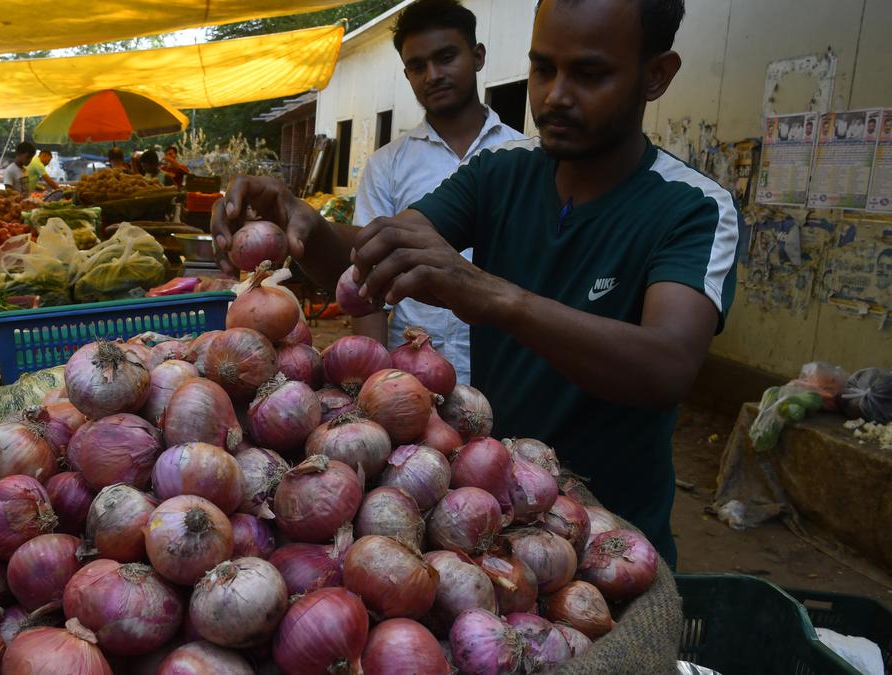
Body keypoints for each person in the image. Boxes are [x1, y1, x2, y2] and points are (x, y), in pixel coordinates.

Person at [212, 0, 740, 564]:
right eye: (543, 69)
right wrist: (303, 223)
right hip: (491, 513)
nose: (555, 95)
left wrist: (492, 296)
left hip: (611, 544)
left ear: (656, 74)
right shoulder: (503, 171)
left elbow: (667, 366)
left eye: (589, 74)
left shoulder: (693, 208)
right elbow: (376, 251)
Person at [351, 0, 525, 385]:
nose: (433, 75)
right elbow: (367, 280)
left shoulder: (525, 157)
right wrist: (376, 382)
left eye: (446, 57)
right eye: (417, 66)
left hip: (505, 370)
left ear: (477, 56)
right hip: (412, 376)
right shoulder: (387, 165)